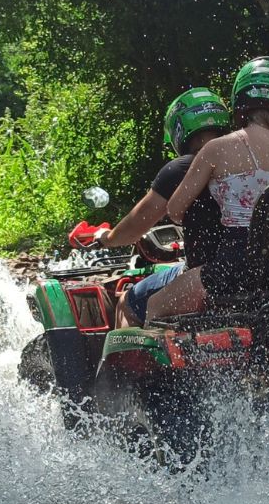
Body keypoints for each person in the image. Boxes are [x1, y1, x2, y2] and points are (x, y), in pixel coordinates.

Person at [141, 56, 269, 320]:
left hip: (234, 269)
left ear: (239, 99)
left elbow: (175, 209)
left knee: (155, 306)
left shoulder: (216, 149)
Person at [94, 87, 229, 327]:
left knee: (128, 302)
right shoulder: (242, 162)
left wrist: (106, 238)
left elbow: (135, 227)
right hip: (244, 272)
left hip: (203, 277)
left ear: (180, 128)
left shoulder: (182, 168)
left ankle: (127, 365)